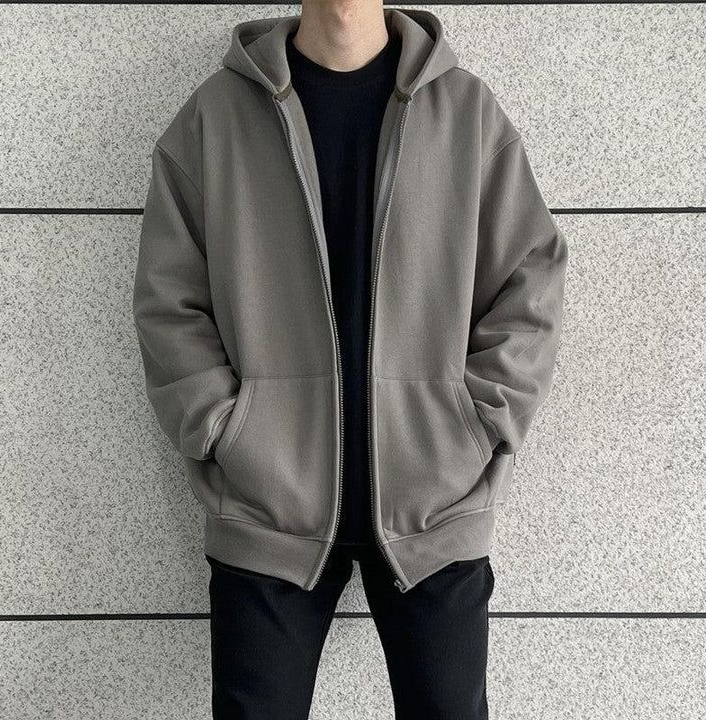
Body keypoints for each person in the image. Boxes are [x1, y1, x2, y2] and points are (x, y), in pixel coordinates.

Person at [131, 2, 569, 718]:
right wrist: (224, 428)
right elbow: (168, 299)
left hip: (437, 505)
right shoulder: (216, 116)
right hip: (267, 504)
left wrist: (479, 424)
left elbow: (530, 280)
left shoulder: (465, 112)